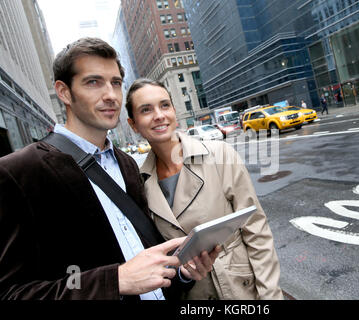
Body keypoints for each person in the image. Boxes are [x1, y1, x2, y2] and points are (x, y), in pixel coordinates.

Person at [0, 38, 219, 300]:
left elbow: (146, 261)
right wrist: (115, 281)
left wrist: (181, 273)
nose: (111, 95)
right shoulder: (19, 172)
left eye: (115, 83)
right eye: (93, 82)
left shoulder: (126, 163)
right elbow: (12, 293)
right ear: (64, 92)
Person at [126, 79, 284, 300]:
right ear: (133, 124)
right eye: (146, 110)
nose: (159, 115)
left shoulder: (220, 154)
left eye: (164, 105)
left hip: (242, 290)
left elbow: (256, 229)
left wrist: (270, 296)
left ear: (173, 110)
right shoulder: (139, 184)